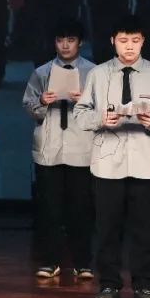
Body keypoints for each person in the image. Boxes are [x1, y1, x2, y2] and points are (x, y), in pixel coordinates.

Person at [73, 15, 150, 298]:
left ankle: (144, 285)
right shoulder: (98, 74)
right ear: (113, 41)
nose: (129, 46)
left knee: (144, 228)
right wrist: (101, 119)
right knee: (107, 228)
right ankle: (109, 284)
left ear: (143, 41)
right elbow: (80, 113)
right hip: (108, 162)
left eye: (135, 40)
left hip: (145, 161)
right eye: (123, 40)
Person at [22, 18, 96, 279]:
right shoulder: (42, 72)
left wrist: (85, 101)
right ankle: (49, 261)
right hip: (49, 148)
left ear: (80, 43)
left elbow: (104, 111)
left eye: (71, 40)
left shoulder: (93, 72)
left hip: (81, 148)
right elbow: (28, 106)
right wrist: (42, 101)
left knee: (81, 209)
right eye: (60, 40)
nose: (65, 45)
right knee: (49, 210)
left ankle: (82, 262)